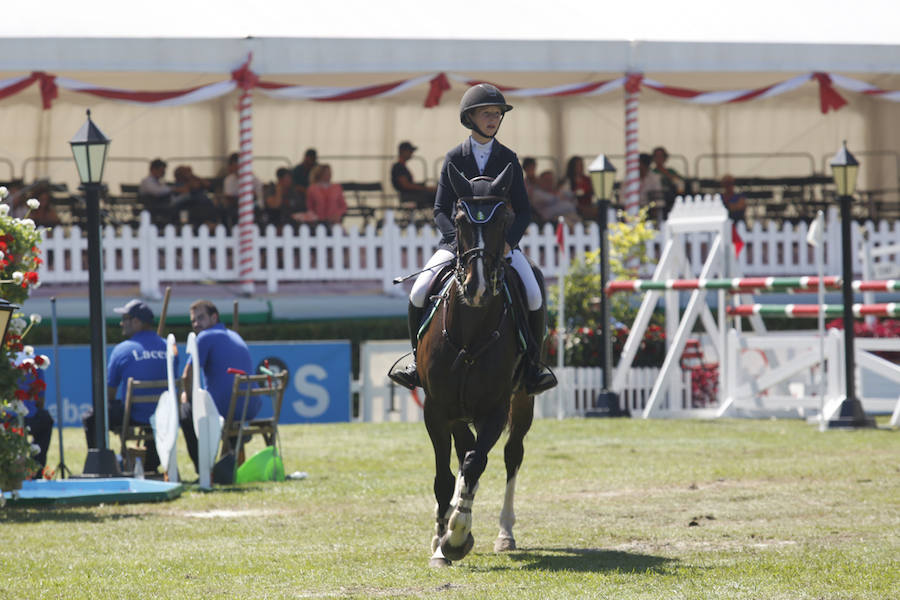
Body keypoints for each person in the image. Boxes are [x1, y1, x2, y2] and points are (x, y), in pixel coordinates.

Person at [389, 83, 556, 395]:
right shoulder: (454, 158)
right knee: (418, 291)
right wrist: (458, 242)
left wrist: (508, 243)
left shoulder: (508, 158)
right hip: (459, 245)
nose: (493, 119)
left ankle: (533, 365)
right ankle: (415, 361)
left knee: (533, 290)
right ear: (471, 118)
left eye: (496, 114)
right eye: (486, 113)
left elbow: (523, 211)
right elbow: (440, 209)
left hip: (499, 246)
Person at [81, 299, 170, 474]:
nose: (121, 323)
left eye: (125, 319)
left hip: (134, 414)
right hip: (164, 415)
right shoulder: (169, 347)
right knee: (155, 413)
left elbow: (108, 395)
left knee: (92, 416)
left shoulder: (123, 350)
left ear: (136, 321)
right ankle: (151, 465)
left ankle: (101, 466)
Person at [178, 299, 255, 475]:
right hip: (249, 407)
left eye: (201, 318)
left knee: (185, 412)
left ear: (214, 317)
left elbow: (187, 375)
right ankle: (231, 458)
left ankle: (205, 471)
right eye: (193, 321)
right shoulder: (235, 335)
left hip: (227, 409)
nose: (197, 324)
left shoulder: (205, 336)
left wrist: (185, 398)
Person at [15, 351, 53, 475]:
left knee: (45, 419)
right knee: (46, 420)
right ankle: (35, 472)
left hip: (7, 419)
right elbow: (40, 402)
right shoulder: (35, 363)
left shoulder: (6, 362)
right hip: (24, 419)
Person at [221, 152, 264, 227]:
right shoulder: (228, 180)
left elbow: (255, 197)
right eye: (235, 166)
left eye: (239, 165)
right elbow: (228, 198)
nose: (237, 168)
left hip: (254, 207)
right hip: (235, 208)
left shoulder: (255, 180)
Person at [390, 141, 436, 208]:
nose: (411, 153)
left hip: (410, 194)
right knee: (435, 195)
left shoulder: (401, 166)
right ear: (403, 151)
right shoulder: (399, 167)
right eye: (410, 151)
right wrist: (425, 188)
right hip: (408, 195)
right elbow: (406, 185)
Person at [558, 156, 596, 220]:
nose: (581, 167)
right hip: (573, 207)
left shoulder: (587, 180)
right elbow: (563, 196)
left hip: (587, 206)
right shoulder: (566, 181)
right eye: (578, 165)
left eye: (581, 165)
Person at [651, 146, 686, 216]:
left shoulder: (671, 171)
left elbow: (681, 182)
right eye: (657, 156)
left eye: (661, 156)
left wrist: (666, 173)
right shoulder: (651, 173)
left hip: (672, 199)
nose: (659, 158)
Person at [639, 152, 664, 220]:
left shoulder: (654, 178)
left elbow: (658, 201)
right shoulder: (630, 179)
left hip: (649, 210)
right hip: (634, 209)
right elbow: (622, 199)